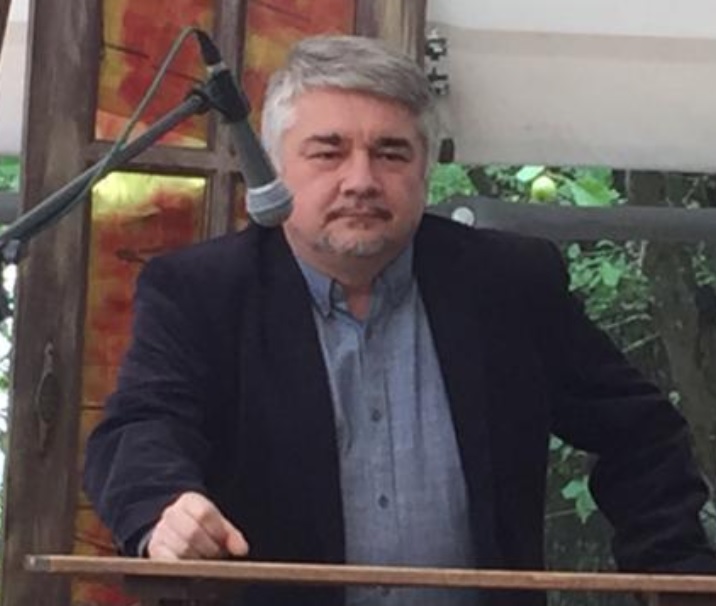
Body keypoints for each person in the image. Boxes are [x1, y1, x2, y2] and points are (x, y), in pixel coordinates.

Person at [83, 35, 716, 606]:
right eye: (328, 153)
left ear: (425, 169)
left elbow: (640, 430)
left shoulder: (507, 284)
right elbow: (141, 427)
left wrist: (671, 570)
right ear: (273, 168)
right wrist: (163, 507)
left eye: (391, 154)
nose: (361, 180)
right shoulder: (204, 292)